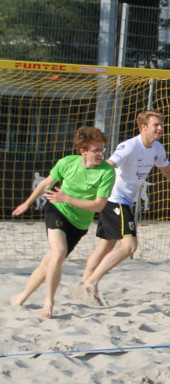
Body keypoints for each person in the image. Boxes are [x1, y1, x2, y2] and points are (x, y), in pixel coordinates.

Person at [79, 110, 170, 304]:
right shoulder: (130, 146)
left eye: (161, 125)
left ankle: (83, 285)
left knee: (106, 245)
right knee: (130, 246)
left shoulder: (157, 148)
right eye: (156, 125)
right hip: (115, 200)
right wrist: (89, 184)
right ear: (143, 127)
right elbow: (109, 165)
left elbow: (169, 171)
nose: (160, 128)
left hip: (123, 201)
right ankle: (92, 281)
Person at [10, 126, 116, 318]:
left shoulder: (106, 172)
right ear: (83, 151)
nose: (101, 154)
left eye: (102, 149)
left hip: (79, 223)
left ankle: (22, 296)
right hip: (57, 209)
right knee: (58, 254)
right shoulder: (67, 163)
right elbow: (46, 184)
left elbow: (98, 206)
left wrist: (68, 198)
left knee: (49, 261)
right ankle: (49, 303)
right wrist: (27, 203)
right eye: (96, 150)